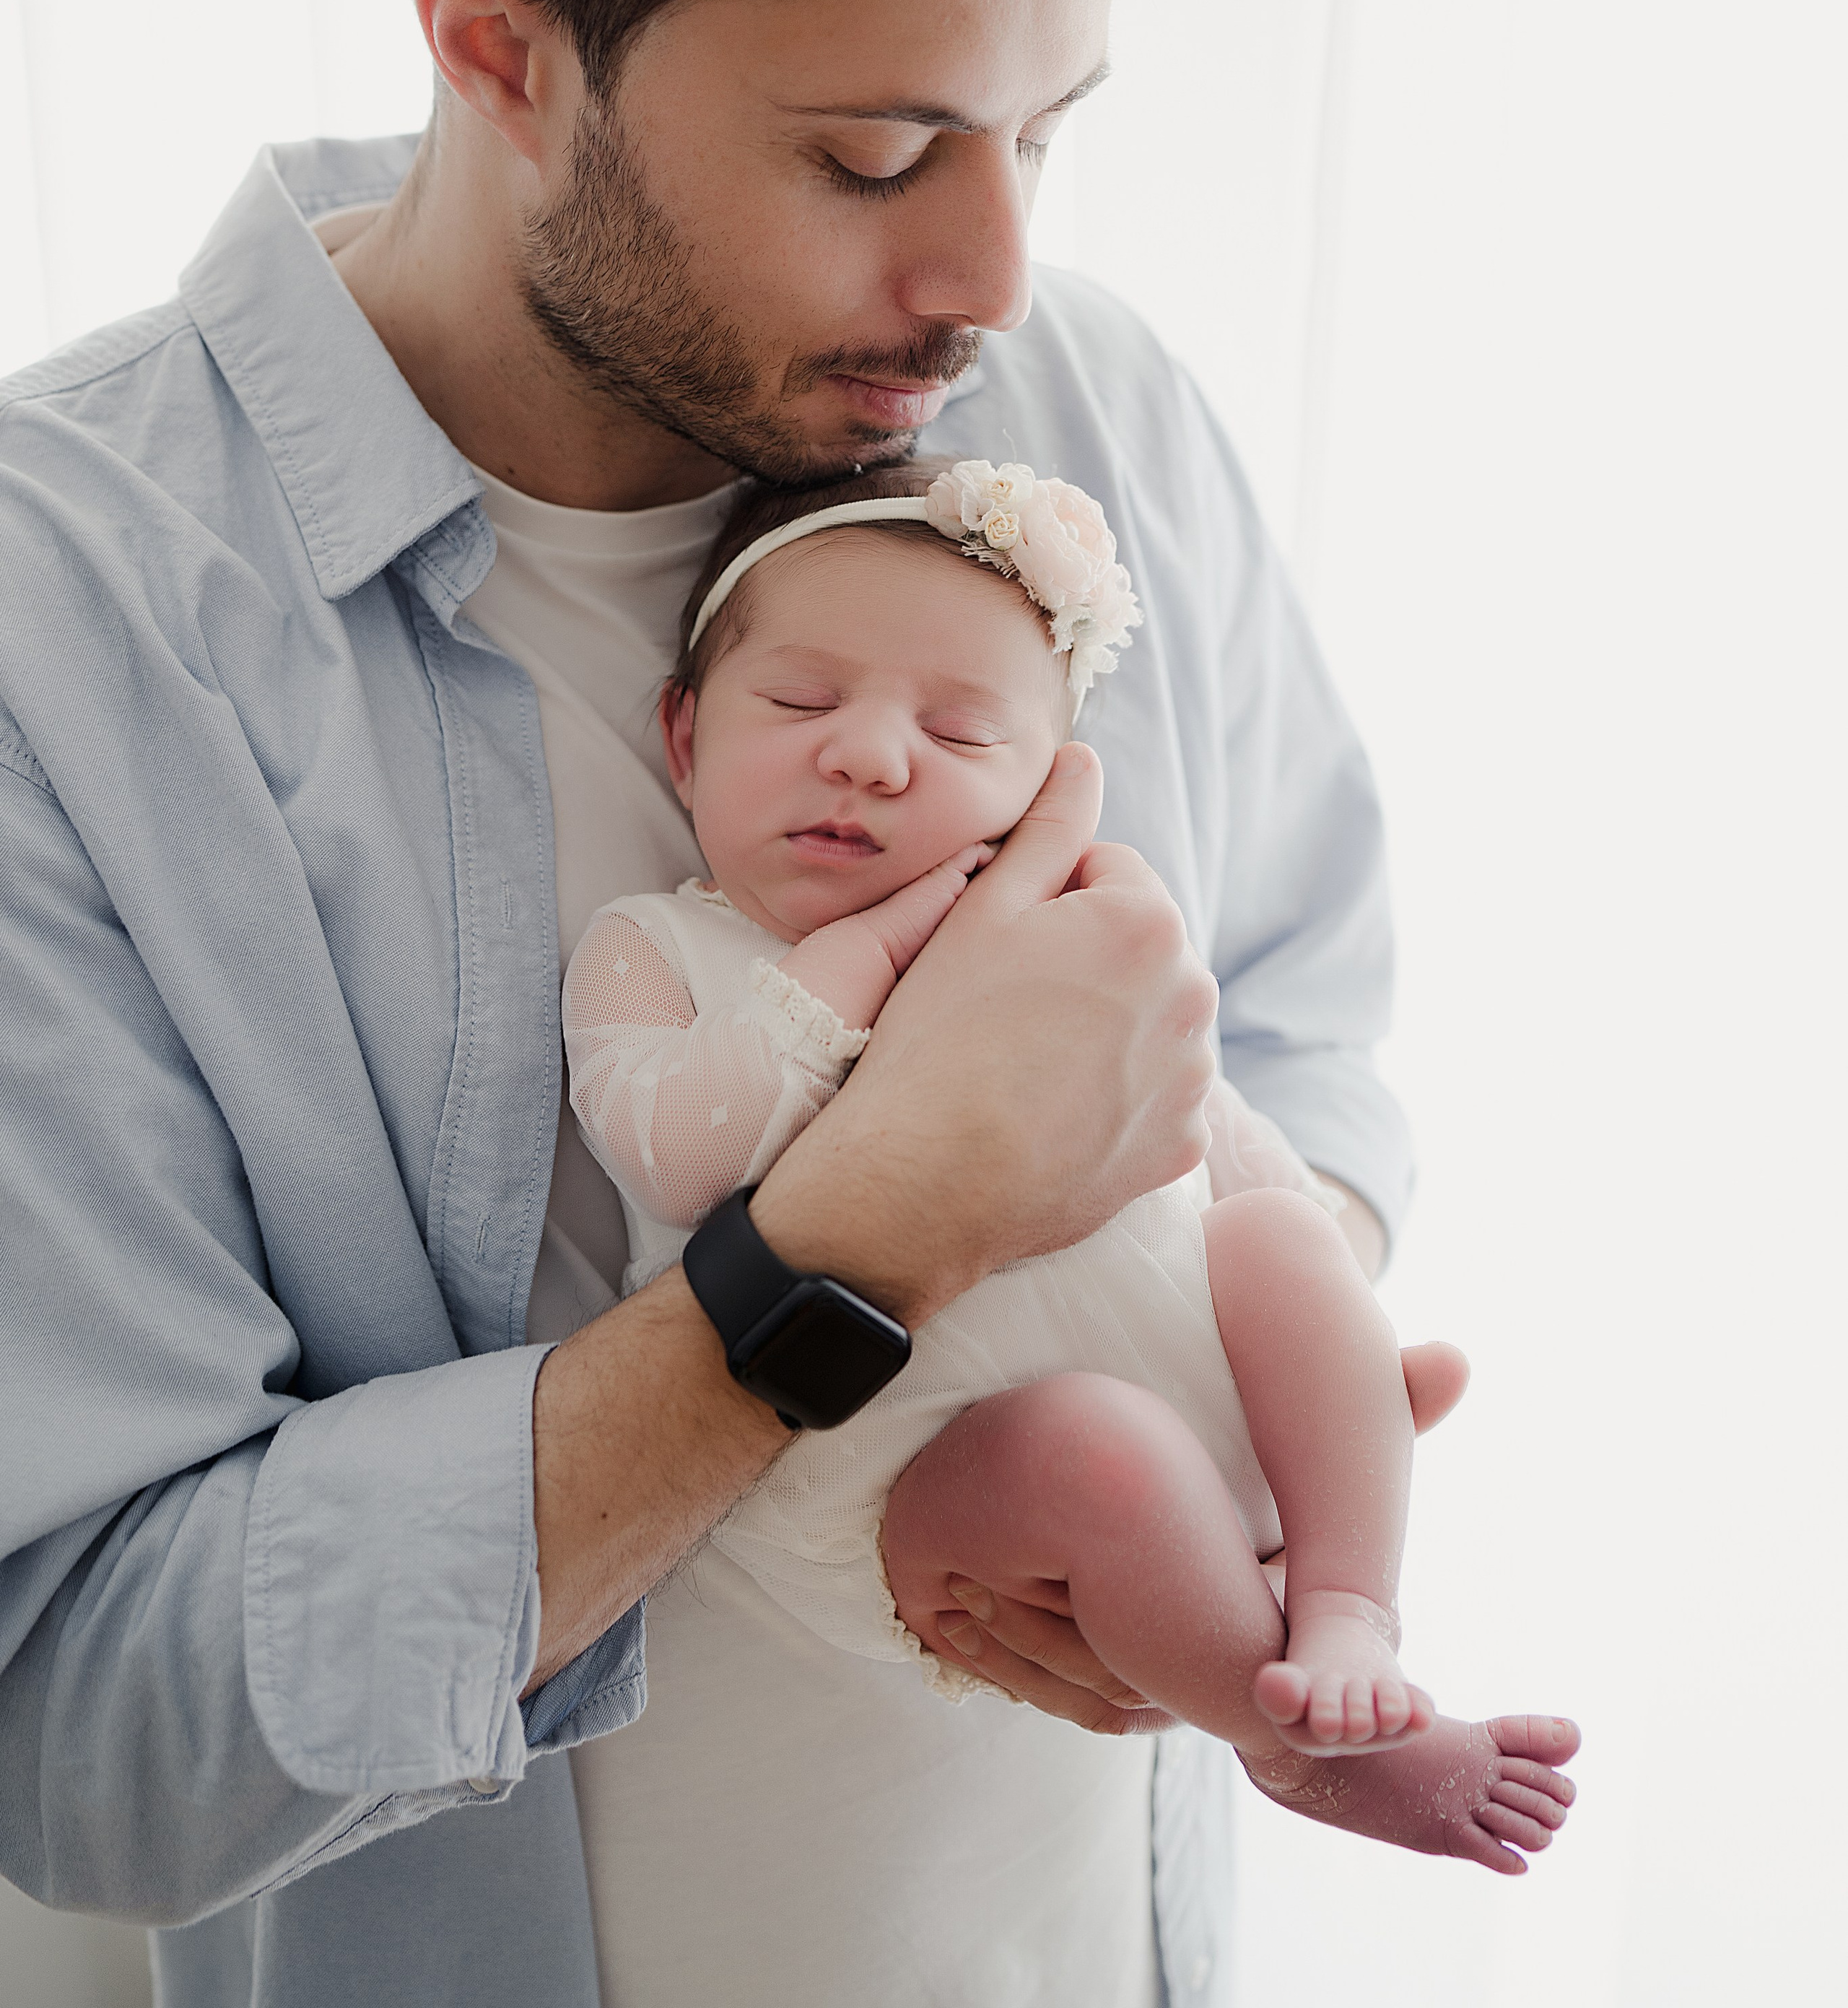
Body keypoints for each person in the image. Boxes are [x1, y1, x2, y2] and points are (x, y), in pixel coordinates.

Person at [0, 0, 1433, 2006]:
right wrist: (843, 1259)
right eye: (876, 159)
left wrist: (1220, 1416)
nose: (992, 271)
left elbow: (1312, 1027)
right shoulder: (57, 631)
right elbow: (82, 1726)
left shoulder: (1086, 410)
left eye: (1044, 126)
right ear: (492, 42)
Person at [562, 454, 1579, 1865]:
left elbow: (1211, 1130)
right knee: (1095, 1457)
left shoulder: (1067, 934)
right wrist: (865, 955)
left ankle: (1347, 1596)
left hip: (1177, 1375)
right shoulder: (655, 947)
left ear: (1045, 796)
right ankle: (1287, 1747)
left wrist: (1318, 1352)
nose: (866, 754)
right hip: (904, 1467)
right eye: (797, 702)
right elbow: (680, 1161)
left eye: (963, 736)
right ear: (682, 740)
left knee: (1284, 1237)